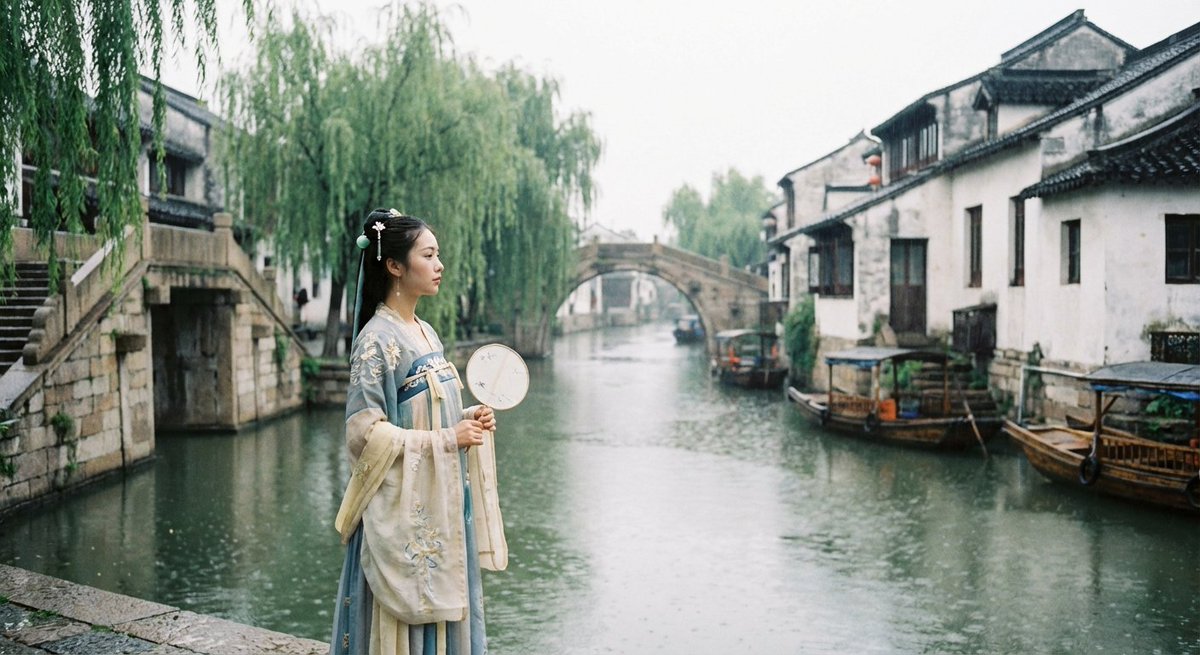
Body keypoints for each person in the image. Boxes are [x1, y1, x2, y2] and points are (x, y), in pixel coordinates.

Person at [330, 208, 508, 655]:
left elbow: (429, 412)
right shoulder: (376, 341)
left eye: (438, 254)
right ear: (394, 266)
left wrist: (467, 418)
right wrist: (449, 440)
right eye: (428, 255)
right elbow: (364, 435)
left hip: (442, 505)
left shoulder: (426, 331)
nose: (439, 265)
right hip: (405, 519)